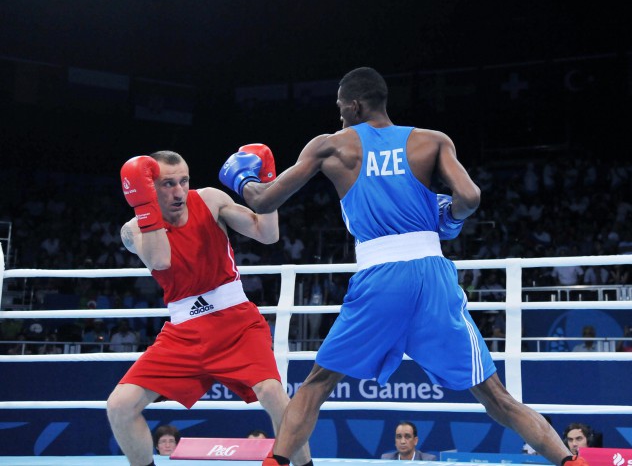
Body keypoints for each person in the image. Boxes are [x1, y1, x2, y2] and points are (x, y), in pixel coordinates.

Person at [219, 67, 585, 466]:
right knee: (495, 395)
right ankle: (572, 462)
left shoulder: (331, 146)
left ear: (355, 105)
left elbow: (264, 202)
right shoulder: (432, 141)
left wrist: (244, 179)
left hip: (381, 278)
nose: (339, 116)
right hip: (432, 274)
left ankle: (277, 463)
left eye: (341, 107)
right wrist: (449, 215)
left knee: (317, 384)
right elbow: (470, 195)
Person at [106, 150, 311, 466]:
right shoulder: (132, 230)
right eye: (167, 184)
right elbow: (161, 260)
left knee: (273, 393)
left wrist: (267, 183)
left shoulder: (211, 200)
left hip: (236, 323)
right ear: (147, 187)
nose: (178, 192)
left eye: (183, 181)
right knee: (120, 406)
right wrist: (146, 207)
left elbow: (267, 235)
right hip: (183, 334)